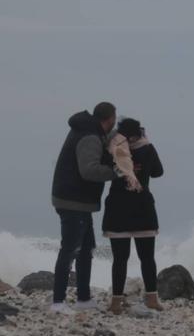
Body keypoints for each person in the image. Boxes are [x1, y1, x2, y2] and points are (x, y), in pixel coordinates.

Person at [51, 102, 118, 315]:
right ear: (109, 119)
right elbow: (88, 170)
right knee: (70, 250)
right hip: (72, 201)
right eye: (114, 121)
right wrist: (115, 171)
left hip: (78, 201)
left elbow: (106, 142)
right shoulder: (90, 137)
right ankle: (58, 302)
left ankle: (83, 298)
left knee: (86, 249)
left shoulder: (90, 132)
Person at [102, 118, 164, 314]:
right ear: (140, 132)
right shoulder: (147, 148)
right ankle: (152, 299)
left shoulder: (113, 148)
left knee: (120, 259)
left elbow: (104, 171)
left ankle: (116, 303)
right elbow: (158, 172)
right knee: (147, 257)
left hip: (117, 208)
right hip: (142, 206)